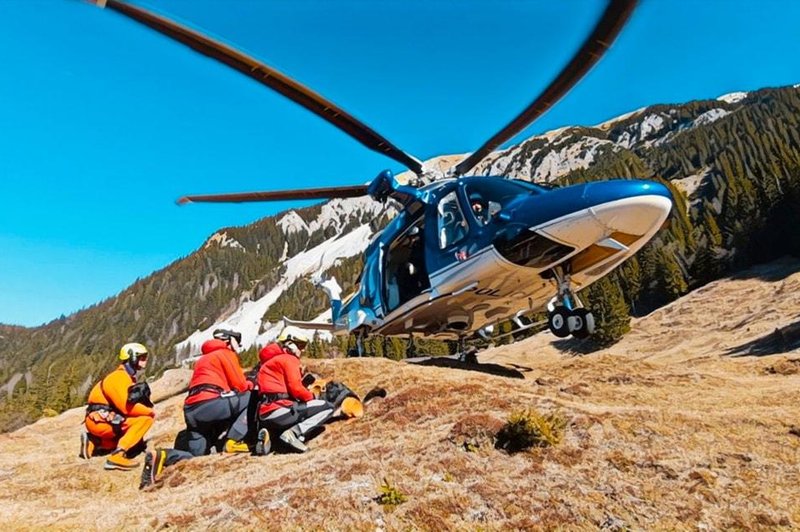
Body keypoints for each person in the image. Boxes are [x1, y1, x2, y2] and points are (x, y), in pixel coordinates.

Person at [255, 326, 335, 454]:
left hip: (264, 414)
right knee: (328, 407)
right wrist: (312, 397)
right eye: (301, 345)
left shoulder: (267, 363)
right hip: (281, 410)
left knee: (290, 413)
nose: (302, 350)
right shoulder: (289, 359)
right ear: (291, 344)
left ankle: (270, 435)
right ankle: (293, 433)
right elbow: (296, 389)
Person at [80, 342, 155, 471]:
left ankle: (94, 442)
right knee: (145, 419)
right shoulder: (119, 378)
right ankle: (117, 456)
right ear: (132, 357)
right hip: (101, 422)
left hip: (99, 421)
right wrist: (149, 412)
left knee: (135, 443)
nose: (145, 360)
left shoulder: (124, 377)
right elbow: (126, 408)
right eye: (142, 357)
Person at [180, 328, 254, 456]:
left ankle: (163, 456)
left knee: (195, 457)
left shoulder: (202, 359)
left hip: (191, 409)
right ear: (228, 341)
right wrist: (252, 383)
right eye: (237, 341)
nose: (239, 345)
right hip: (212, 404)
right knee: (251, 398)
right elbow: (241, 385)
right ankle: (233, 442)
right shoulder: (225, 353)